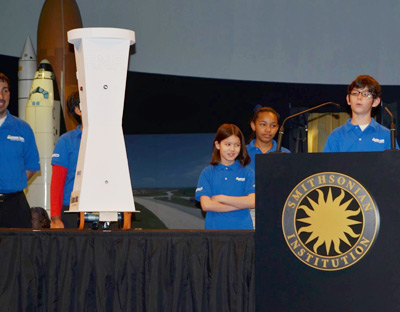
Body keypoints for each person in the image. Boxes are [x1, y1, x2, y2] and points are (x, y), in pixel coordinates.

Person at [195, 123, 255, 229]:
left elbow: (252, 201)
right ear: (218, 145)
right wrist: (240, 204)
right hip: (214, 233)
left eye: (237, 145)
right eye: (228, 144)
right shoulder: (207, 172)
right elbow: (206, 205)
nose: (232, 149)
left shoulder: (248, 172)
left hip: (243, 232)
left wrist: (222, 198)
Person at [0, 72, 40, 228]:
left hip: (15, 206)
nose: (1, 96)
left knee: (19, 252)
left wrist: (15, 182)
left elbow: (32, 166)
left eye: (5, 90)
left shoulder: (23, 129)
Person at [324, 75, 398, 152]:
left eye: (365, 94)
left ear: (375, 101)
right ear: (348, 99)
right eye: (355, 93)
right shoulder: (336, 136)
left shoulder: (386, 135)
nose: (359, 97)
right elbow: (327, 164)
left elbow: (394, 163)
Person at [50, 91, 82, 228]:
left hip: (103, 209)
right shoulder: (66, 140)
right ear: (78, 110)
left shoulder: (109, 139)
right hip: (71, 210)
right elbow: (57, 182)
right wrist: (55, 218)